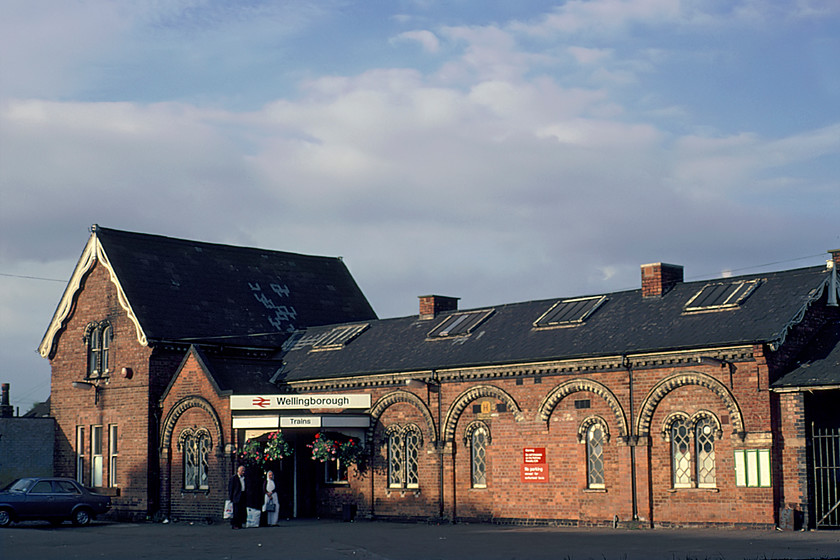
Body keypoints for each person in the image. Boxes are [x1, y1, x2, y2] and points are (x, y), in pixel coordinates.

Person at [228, 465, 247, 529]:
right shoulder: (234, 478)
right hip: (236, 497)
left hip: (242, 495)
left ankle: (240, 524)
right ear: (238, 471)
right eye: (242, 471)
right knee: (236, 512)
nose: (243, 472)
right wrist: (231, 498)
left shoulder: (244, 478)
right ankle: (235, 525)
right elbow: (231, 488)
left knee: (241, 511)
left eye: (244, 471)